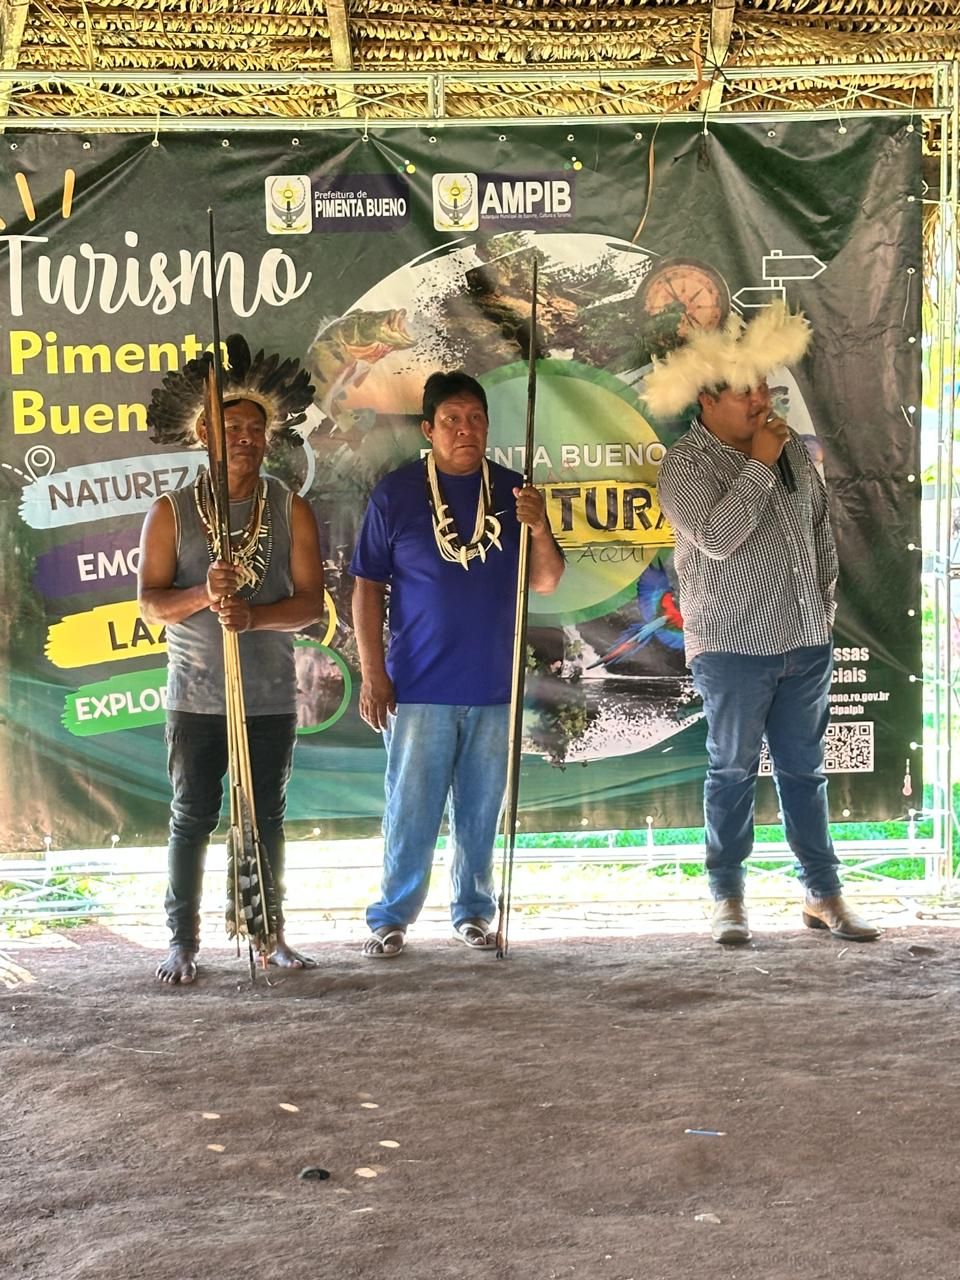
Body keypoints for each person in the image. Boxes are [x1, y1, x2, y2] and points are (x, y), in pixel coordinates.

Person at [649, 302, 880, 945]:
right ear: (707, 400)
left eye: (763, 388)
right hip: (732, 648)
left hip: (806, 641)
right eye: (745, 392)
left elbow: (820, 530)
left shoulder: (791, 452)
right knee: (732, 770)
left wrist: (821, 611)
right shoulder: (684, 465)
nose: (761, 401)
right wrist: (758, 461)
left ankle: (823, 893)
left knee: (805, 773)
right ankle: (727, 897)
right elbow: (718, 538)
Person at [350, 370, 564, 957]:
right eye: (451, 420)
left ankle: (473, 912)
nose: (464, 429)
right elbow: (366, 587)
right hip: (418, 684)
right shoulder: (396, 493)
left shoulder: (516, 493)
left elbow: (546, 580)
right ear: (429, 429)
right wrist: (373, 674)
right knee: (411, 808)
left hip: (495, 684)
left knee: (480, 809)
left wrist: (539, 526)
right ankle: (391, 917)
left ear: (488, 425)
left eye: (474, 418)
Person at [138, 335, 326, 983]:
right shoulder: (170, 512)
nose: (245, 438)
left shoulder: (290, 508)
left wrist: (253, 616)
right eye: (231, 427)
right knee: (192, 817)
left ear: (268, 440)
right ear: (203, 435)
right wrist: (202, 594)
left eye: (254, 429)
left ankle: (271, 934)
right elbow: (150, 604)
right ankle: (182, 942)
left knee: (266, 816)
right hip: (196, 697)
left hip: (268, 695)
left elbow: (310, 605)